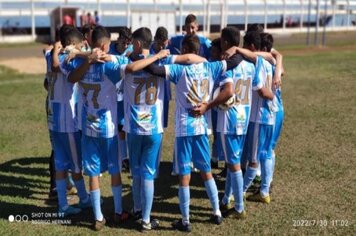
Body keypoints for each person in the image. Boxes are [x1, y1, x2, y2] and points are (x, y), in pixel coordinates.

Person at [66, 25, 169, 231]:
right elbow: (130, 66)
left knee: (93, 173)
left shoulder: (80, 61)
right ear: (105, 45)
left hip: (87, 127)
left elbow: (71, 77)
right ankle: (118, 210)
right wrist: (157, 55)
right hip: (109, 128)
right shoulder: (111, 66)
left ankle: (97, 216)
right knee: (115, 170)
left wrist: (84, 55)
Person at [145, 34, 243, 232]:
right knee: (207, 172)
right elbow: (235, 62)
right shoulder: (211, 66)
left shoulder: (178, 70)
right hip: (201, 127)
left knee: (184, 175)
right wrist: (235, 50)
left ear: (183, 50)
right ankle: (216, 212)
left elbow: (153, 69)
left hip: (184, 129)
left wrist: (155, 56)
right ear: (199, 51)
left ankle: (186, 220)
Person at [47, 26, 91, 216]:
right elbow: (61, 67)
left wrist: (77, 50)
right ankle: (84, 199)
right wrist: (83, 54)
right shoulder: (66, 59)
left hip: (54, 119)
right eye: (79, 45)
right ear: (73, 44)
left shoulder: (51, 54)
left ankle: (63, 205)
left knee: (60, 163)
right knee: (75, 165)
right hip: (67, 121)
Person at [239, 31, 275, 204]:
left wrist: (271, 95)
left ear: (252, 47)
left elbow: (262, 91)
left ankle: (239, 193)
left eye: (245, 46)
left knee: (253, 160)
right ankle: (264, 191)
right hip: (269, 117)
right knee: (266, 154)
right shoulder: (271, 62)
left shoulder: (259, 63)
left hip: (258, 118)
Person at [109, 26, 133, 172]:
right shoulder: (109, 50)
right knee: (112, 128)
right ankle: (114, 156)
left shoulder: (130, 52)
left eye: (127, 43)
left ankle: (125, 158)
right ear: (118, 40)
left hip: (124, 96)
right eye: (123, 42)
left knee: (123, 129)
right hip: (109, 95)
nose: (125, 46)